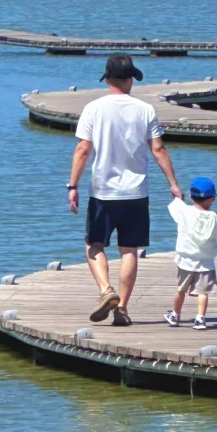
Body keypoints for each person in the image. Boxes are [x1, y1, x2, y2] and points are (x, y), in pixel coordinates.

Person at [67, 52, 182, 327]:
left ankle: (106, 290)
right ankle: (122, 310)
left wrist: (72, 185)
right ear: (130, 80)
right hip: (136, 194)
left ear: (107, 79)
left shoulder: (94, 108)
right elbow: (158, 149)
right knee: (129, 250)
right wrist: (173, 184)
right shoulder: (145, 110)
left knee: (94, 245)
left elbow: (83, 150)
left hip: (103, 192)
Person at [163, 176, 217, 331]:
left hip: (185, 260)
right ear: (212, 199)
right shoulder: (214, 218)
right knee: (203, 292)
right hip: (206, 263)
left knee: (181, 289)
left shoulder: (184, 211)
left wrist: (177, 195)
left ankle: (175, 315)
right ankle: (200, 319)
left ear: (191, 196)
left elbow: (176, 202)